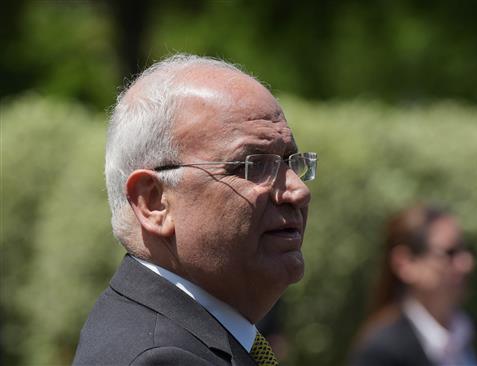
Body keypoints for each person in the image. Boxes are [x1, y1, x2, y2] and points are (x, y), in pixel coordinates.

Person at [73, 54, 317, 365]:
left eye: (289, 162)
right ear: (154, 202)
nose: (298, 190)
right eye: (254, 164)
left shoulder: (196, 338)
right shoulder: (162, 359)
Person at [350, 204, 477, 366]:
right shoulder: (381, 352)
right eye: (450, 252)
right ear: (405, 263)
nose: (467, 263)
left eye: (464, 251)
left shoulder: (466, 333)